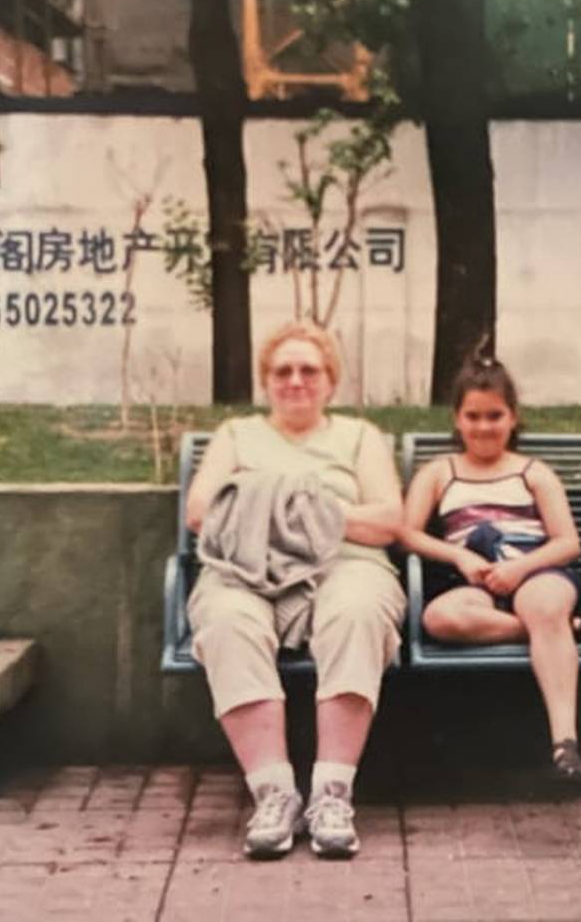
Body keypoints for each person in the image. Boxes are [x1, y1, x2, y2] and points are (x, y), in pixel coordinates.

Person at [185, 321, 405, 859]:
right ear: (266, 382)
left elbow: (386, 522)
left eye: (310, 369)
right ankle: (274, 796)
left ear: (331, 381)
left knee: (357, 610)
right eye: (282, 370)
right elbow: (199, 514)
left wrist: (280, 505)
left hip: (346, 565)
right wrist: (316, 509)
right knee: (228, 620)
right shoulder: (236, 436)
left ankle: (332, 796)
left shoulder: (358, 436)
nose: (296, 380)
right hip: (246, 568)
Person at [399, 356, 581, 782]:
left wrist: (522, 568)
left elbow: (567, 542)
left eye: (494, 416)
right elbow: (407, 533)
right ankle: (565, 628)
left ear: (513, 417)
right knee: (439, 616)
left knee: (542, 605)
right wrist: (460, 557)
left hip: (535, 569)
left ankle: (565, 743)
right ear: (456, 418)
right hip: (475, 575)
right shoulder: (439, 473)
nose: (483, 427)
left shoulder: (532, 473)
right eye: (473, 416)